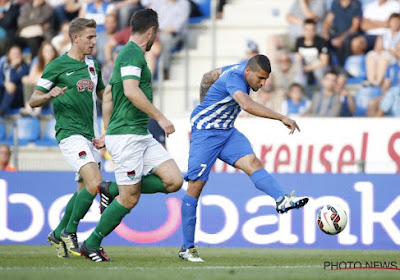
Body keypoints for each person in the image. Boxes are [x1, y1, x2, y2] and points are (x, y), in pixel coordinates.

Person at [178, 54, 309, 262]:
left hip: (227, 131)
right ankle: (187, 248)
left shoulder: (241, 68)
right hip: (206, 132)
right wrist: (282, 117)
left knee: (253, 163)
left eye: (266, 79)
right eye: (261, 78)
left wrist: (206, 100)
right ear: (248, 72)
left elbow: (207, 76)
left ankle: (281, 199)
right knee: (196, 185)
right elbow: (247, 105)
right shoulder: (235, 78)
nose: (263, 83)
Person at [82, 8, 183, 262]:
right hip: (127, 136)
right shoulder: (130, 53)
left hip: (137, 134)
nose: (154, 39)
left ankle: (111, 187)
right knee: (130, 198)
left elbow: (107, 97)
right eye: (155, 34)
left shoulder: (130, 55)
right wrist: (160, 118)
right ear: (151, 32)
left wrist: (106, 131)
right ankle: (91, 243)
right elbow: (129, 90)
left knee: (174, 180)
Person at [28, 18, 109, 259]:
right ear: (75, 38)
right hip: (69, 132)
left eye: (95, 37)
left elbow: (105, 95)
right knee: (95, 183)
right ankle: (69, 232)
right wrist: (48, 94)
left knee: (84, 190)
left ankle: (56, 233)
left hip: (91, 134)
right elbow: (33, 99)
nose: (94, 41)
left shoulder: (94, 65)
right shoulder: (57, 65)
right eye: (90, 37)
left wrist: (110, 127)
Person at [21, 41, 58, 117]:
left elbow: (50, 81)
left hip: (50, 96)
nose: (49, 52)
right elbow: (29, 79)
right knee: (29, 84)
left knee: (41, 85)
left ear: (54, 52)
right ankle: (29, 109)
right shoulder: (37, 63)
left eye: (51, 50)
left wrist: (37, 80)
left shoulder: (57, 64)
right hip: (37, 96)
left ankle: (37, 111)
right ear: (42, 53)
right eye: (46, 51)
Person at [322, 0, 362, 66]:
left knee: (346, 42)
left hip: (349, 34)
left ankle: (343, 68)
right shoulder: (335, 3)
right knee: (323, 41)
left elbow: (355, 27)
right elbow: (327, 21)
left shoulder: (356, 4)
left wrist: (341, 39)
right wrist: (325, 32)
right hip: (336, 33)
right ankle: (328, 68)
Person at [365, 13, 400, 87]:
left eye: (397, 21)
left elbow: (398, 52)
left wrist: (389, 50)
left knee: (384, 57)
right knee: (371, 55)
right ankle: (371, 80)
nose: (394, 24)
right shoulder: (384, 34)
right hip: (384, 53)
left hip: (394, 58)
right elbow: (377, 48)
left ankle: (378, 82)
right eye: (393, 21)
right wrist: (388, 49)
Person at [295, 18, 329, 86]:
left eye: (312, 30)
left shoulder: (321, 42)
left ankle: (322, 91)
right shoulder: (299, 41)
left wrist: (309, 68)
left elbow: (324, 62)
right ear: (303, 30)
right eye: (307, 30)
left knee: (318, 72)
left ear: (315, 31)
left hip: (318, 67)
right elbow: (297, 59)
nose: (309, 32)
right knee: (298, 72)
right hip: (305, 67)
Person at [0, 45, 29, 116]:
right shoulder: (4, 65)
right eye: (13, 53)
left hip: (17, 96)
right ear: (8, 55)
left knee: (11, 87)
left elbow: (13, 80)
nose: (16, 56)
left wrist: (13, 67)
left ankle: (1, 111)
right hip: (3, 95)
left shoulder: (24, 67)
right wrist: (5, 84)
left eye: (18, 53)